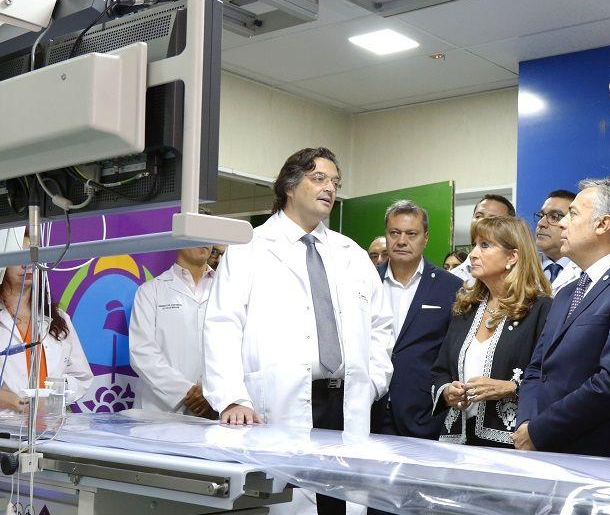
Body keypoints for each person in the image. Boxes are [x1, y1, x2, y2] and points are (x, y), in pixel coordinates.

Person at [203, 147, 393, 515]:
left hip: (346, 404)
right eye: (319, 178)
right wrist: (231, 398)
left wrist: (372, 381)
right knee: (287, 500)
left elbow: (381, 326)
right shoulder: (249, 249)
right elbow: (222, 325)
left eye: (335, 182)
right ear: (289, 186)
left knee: (341, 503)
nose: (329, 188)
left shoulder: (351, 254)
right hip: (278, 403)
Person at [513, 178, 610, 458]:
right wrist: (526, 423)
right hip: (542, 449)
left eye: (572, 214)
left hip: (594, 455)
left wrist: (540, 431)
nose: (562, 224)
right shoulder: (566, 293)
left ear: (603, 224)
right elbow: (536, 369)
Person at [432, 216, 552, 447]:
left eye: (485, 245)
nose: (473, 254)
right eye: (474, 245)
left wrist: (510, 388)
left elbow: (552, 377)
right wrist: (447, 392)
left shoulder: (541, 309)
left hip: (513, 444)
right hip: (457, 444)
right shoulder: (465, 308)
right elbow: (440, 370)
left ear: (512, 257)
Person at [372, 200, 463, 439]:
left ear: (426, 238)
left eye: (411, 234)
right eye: (394, 233)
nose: (402, 241)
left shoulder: (451, 287)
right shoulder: (366, 281)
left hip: (424, 416)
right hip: (369, 411)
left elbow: (453, 354)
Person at [0, 238, 92, 411]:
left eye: (32, 256)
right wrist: (13, 401)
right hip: (6, 423)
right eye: (18, 255)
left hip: (50, 422)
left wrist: (52, 396)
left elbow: (82, 377)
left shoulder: (58, 319)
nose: (27, 264)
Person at [129, 247, 216, 418]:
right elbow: (142, 353)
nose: (204, 241)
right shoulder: (150, 291)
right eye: (196, 234)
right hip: (158, 412)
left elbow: (240, 351)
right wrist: (188, 393)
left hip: (215, 407)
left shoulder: (229, 291)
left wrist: (211, 392)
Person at [450, 194, 515, 281]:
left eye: (493, 219)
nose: (482, 221)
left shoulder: (527, 279)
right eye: (478, 216)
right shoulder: (452, 278)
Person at [535, 190, 582, 296]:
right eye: (541, 216)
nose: (541, 223)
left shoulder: (585, 272)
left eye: (554, 217)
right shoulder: (520, 268)